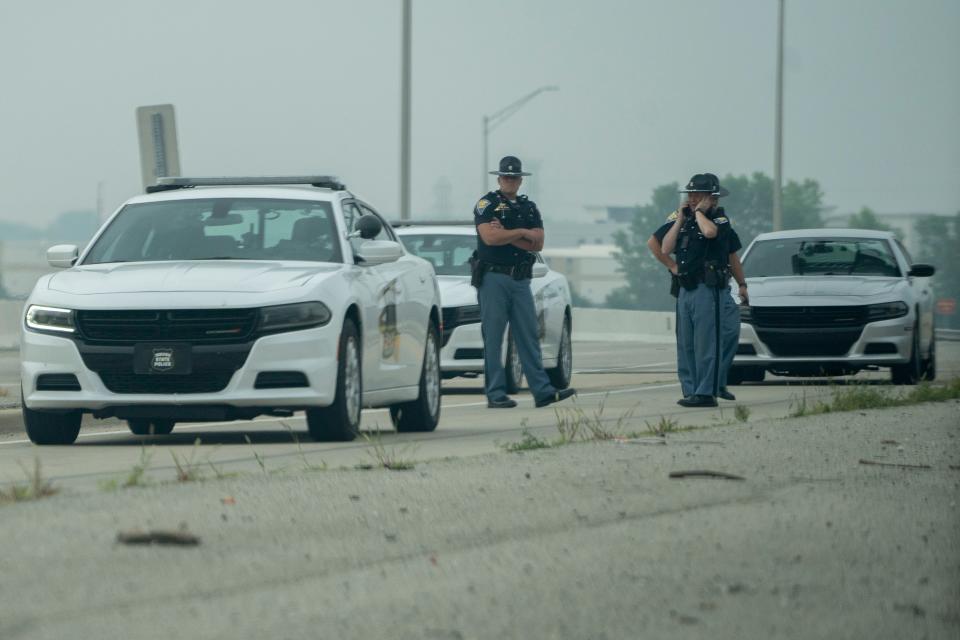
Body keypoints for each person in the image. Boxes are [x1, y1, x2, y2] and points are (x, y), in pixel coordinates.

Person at [472, 156, 576, 409]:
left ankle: (542, 392)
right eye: (505, 177)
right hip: (494, 278)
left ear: (520, 181)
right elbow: (489, 238)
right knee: (494, 338)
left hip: (520, 279)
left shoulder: (529, 208)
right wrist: (522, 233)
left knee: (528, 336)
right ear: (499, 179)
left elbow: (538, 242)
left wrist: (508, 233)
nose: (510, 180)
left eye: (514, 177)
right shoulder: (487, 204)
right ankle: (495, 394)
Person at [649, 177, 747, 401]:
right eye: (690, 195)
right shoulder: (682, 219)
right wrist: (680, 221)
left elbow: (713, 236)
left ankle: (707, 391)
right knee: (687, 345)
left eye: (698, 195)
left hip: (708, 287)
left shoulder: (718, 219)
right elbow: (664, 246)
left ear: (711, 198)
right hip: (686, 288)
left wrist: (701, 214)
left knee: (708, 342)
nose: (692, 199)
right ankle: (692, 390)